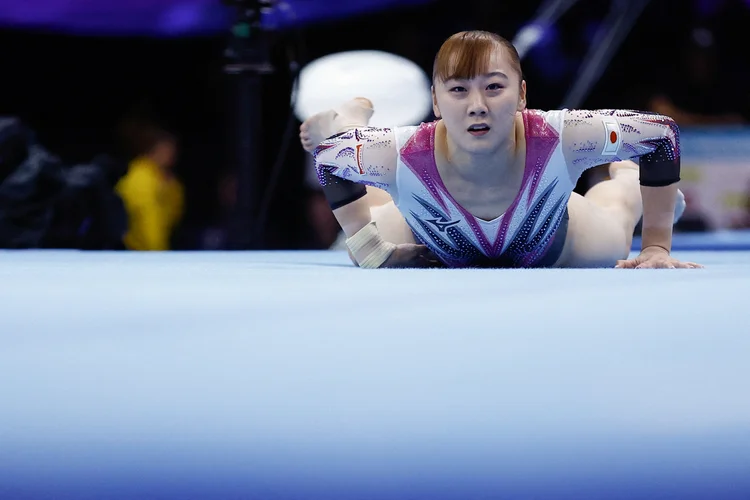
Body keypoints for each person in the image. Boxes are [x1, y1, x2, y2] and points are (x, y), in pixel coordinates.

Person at [299, 30, 702, 270]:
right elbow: (332, 158)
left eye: (494, 87)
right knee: (366, 243)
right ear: (436, 102)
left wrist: (655, 246)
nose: (477, 105)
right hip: (426, 237)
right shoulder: (404, 149)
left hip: (555, 243)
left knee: (618, 214)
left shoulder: (561, 135)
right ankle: (349, 124)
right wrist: (367, 245)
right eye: (458, 90)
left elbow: (659, 134)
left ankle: (630, 180)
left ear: (522, 94)